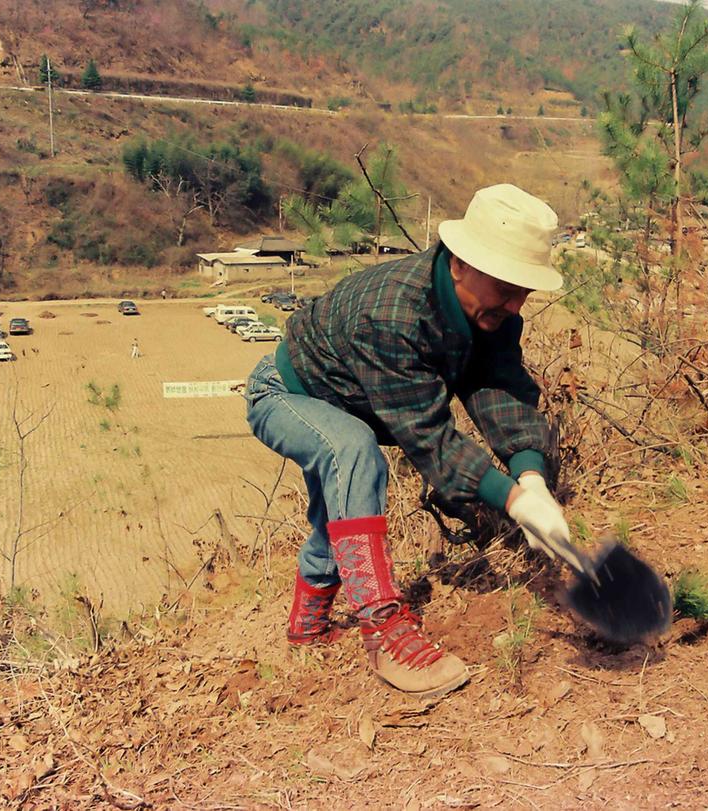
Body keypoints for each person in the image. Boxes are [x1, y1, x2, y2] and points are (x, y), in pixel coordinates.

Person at [244, 184, 572, 700]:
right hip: (285, 394)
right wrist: (513, 501)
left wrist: (531, 476)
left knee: (338, 500)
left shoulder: (491, 313)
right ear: (460, 264)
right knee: (351, 452)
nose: (513, 302)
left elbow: (500, 389)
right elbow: (428, 437)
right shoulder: (394, 312)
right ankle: (383, 629)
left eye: (523, 289)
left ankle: (307, 625)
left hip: (348, 400)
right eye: (504, 286)